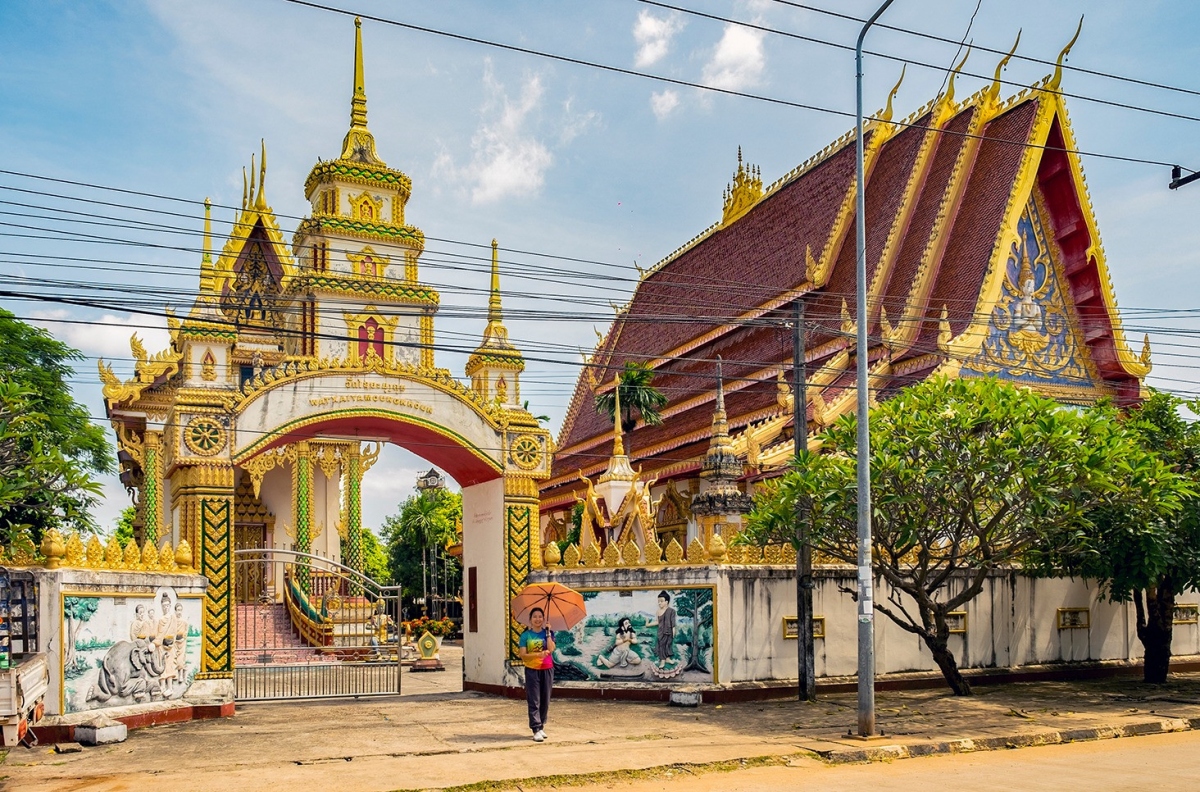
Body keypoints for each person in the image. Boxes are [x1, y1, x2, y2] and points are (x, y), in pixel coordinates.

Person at [516, 607, 555, 742]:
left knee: (545, 699)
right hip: (532, 670)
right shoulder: (526, 636)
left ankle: (541, 725)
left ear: (543, 619)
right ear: (530, 620)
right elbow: (523, 655)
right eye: (535, 617)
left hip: (547, 669)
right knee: (534, 699)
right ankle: (535, 728)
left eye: (540, 617)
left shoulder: (548, 633)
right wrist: (538, 654)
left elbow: (551, 649)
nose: (538, 619)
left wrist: (549, 633)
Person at [646, 591, 677, 665]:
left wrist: (673, 631)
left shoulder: (672, 611)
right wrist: (648, 624)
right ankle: (662, 660)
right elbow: (657, 622)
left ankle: (667, 659)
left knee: (668, 645)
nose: (659, 603)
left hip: (669, 631)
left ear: (666, 602)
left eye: (661, 601)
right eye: (658, 601)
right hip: (661, 632)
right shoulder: (658, 612)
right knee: (662, 645)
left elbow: (673, 623)